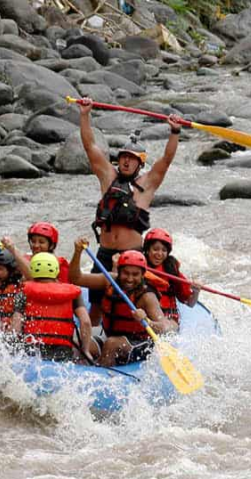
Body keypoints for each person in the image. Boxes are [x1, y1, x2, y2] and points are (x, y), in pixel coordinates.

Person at [76, 96, 184, 322]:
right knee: (96, 299)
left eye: (131, 159)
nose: (126, 162)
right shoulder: (108, 177)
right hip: (104, 254)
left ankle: (141, 326)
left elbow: (166, 160)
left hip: (132, 255)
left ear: (139, 164)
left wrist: (174, 132)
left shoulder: (147, 185)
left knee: (130, 298)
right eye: (123, 158)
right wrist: (85, 115)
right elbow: (90, 146)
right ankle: (95, 336)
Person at [69, 238, 176, 367]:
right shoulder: (109, 280)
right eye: (126, 273)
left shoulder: (147, 296)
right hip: (109, 335)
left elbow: (165, 328)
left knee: (111, 344)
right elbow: (76, 278)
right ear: (119, 271)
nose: (130, 279)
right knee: (78, 343)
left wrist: (147, 321)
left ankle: (104, 375)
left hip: (139, 343)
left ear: (142, 275)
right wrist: (77, 252)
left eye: (135, 274)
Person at [10, 253, 92, 363]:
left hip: (32, 354)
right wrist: (85, 350)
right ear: (57, 271)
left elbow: (16, 326)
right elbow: (85, 322)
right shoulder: (73, 293)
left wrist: (12, 350)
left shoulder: (23, 293)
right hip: (63, 355)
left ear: (32, 270)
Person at [142, 228, 201, 325]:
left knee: (165, 326)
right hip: (145, 317)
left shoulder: (171, 269)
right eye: (155, 249)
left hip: (169, 320)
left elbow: (190, 303)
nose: (159, 254)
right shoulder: (138, 266)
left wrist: (196, 292)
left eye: (164, 250)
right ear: (147, 250)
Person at [1, 222, 71, 283]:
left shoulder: (60, 264)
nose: (36, 245)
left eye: (41, 242)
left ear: (51, 246)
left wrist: (13, 250)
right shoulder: (24, 259)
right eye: (33, 241)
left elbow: (35, 278)